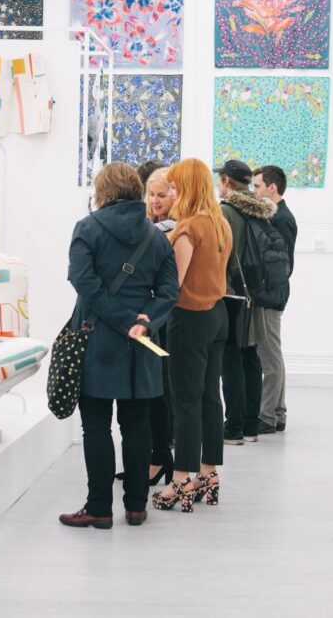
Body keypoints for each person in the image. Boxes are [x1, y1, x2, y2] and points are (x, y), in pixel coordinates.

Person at [59, 163, 180, 529]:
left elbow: (82, 280)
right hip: (140, 344)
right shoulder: (156, 236)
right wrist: (143, 321)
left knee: (95, 426)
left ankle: (98, 508)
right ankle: (136, 507)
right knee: (137, 424)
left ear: (103, 190)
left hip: (96, 339)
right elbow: (170, 292)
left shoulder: (88, 228)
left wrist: (122, 319)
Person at [152, 159, 231, 513]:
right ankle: (209, 473)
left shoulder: (188, 229)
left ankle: (181, 479)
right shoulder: (220, 223)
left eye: (174, 186)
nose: (169, 192)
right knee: (211, 397)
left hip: (191, 318)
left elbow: (174, 285)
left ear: (185, 187)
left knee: (185, 401)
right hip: (218, 315)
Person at [115, 163, 177, 485]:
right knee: (151, 393)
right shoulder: (152, 228)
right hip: (148, 320)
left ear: (175, 196)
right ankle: (155, 458)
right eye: (151, 194)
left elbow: (169, 285)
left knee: (157, 393)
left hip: (159, 320)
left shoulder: (168, 231)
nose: (155, 200)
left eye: (161, 195)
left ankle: (159, 458)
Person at [215, 160, 277, 444]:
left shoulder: (225, 212)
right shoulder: (259, 211)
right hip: (256, 292)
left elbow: (219, 255)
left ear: (226, 181)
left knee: (231, 359)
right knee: (251, 357)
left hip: (231, 293)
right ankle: (251, 427)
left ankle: (234, 428)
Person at [253, 165, 297, 434]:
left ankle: (268, 415)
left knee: (269, 357)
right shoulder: (276, 215)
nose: (254, 191)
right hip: (271, 293)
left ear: (272, 187)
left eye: (257, 186)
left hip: (271, 294)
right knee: (272, 354)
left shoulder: (281, 219)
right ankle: (277, 412)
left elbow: (283, 264)